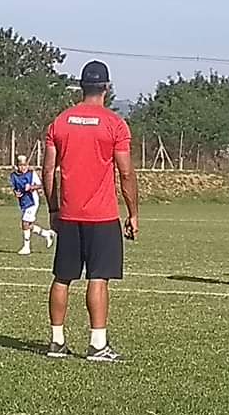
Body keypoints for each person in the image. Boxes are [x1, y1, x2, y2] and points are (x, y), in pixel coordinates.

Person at [42, 60, 139, 363]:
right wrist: (133, 212)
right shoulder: (114, 124)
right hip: (101, 216)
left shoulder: (60, 122)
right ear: (107, 88)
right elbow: (125, 173)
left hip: (68, 214)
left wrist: (54, 208)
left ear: (81, 87)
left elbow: (48, 171)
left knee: (62, 277)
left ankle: (57, 342)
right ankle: (98, 345)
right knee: (98, 277)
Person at [9, 154, 55, 255]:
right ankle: (46, 234)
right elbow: (14, 188)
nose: (23, 167)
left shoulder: (31, 174)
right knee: (28, 225)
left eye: (25, 165)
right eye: (21, 165)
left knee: (25, 223)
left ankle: (26, 247)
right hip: (24, 202)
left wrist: (31, 187)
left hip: (32, 201)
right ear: (17, 166)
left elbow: (40, 185)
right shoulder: (13, 176)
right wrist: (16, 193)